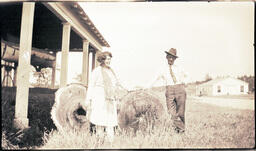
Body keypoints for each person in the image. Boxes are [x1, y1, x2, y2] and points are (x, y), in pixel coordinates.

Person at [84, 51, 126, 142]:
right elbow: (91, 85)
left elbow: (117, 82)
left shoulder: (111, 71)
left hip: (110, 99)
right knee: (100, 122)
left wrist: (127, 88)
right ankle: (100, 142)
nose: (109, 61)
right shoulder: (96, 71)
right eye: (107, 59)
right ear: (102, 60)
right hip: (99, 99)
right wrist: (88, 99)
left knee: (110, 122)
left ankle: (111, 143)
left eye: (110, 59)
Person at [148, 48, 189, 134]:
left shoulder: (179, 68)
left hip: (180, 89)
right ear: (166, 57)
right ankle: (181, 129)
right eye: (169, 57)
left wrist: (184, 82)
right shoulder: (162, 69)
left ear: (175, 59)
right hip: (169, 90)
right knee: (171, 113)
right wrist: (147, 87)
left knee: (180, 113)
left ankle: (180, 132)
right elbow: (154, 78)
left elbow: (187, 76)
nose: (171, 59)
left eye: (173, 58)